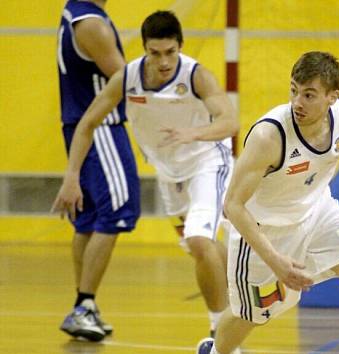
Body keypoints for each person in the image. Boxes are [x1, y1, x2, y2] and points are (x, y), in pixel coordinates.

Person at [196, 51, 339, 354]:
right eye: (294, 90)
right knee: (252, 315)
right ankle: (214, 350)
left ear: (332, 97)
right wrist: (275, 260)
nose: (298, 102)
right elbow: (233, 206)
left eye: (309, 95)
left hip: (318, 213)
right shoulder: (269, 136)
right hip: (264, 230)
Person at [52, 10, 239, 343]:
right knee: (199, 249)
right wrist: (71, 176)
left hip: (208, 161)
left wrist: (194, 133)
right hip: (170, 174)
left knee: (199, 240)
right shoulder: (127, 77)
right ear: (144, 49)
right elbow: (87, 124)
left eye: (170, 52)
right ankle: (249, 272)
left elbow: (230, 121)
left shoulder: (196, 76)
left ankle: (219, 335)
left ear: (180, 46)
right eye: (155, 53)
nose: (164, 61)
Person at [53, 0, 141, 342]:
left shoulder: (73, 12)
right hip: (100, 127)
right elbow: (128, 81)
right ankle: (84, 304)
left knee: (87, 219)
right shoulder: (92, 24)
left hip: (80, 127)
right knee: (119, 211)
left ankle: (84, 304)